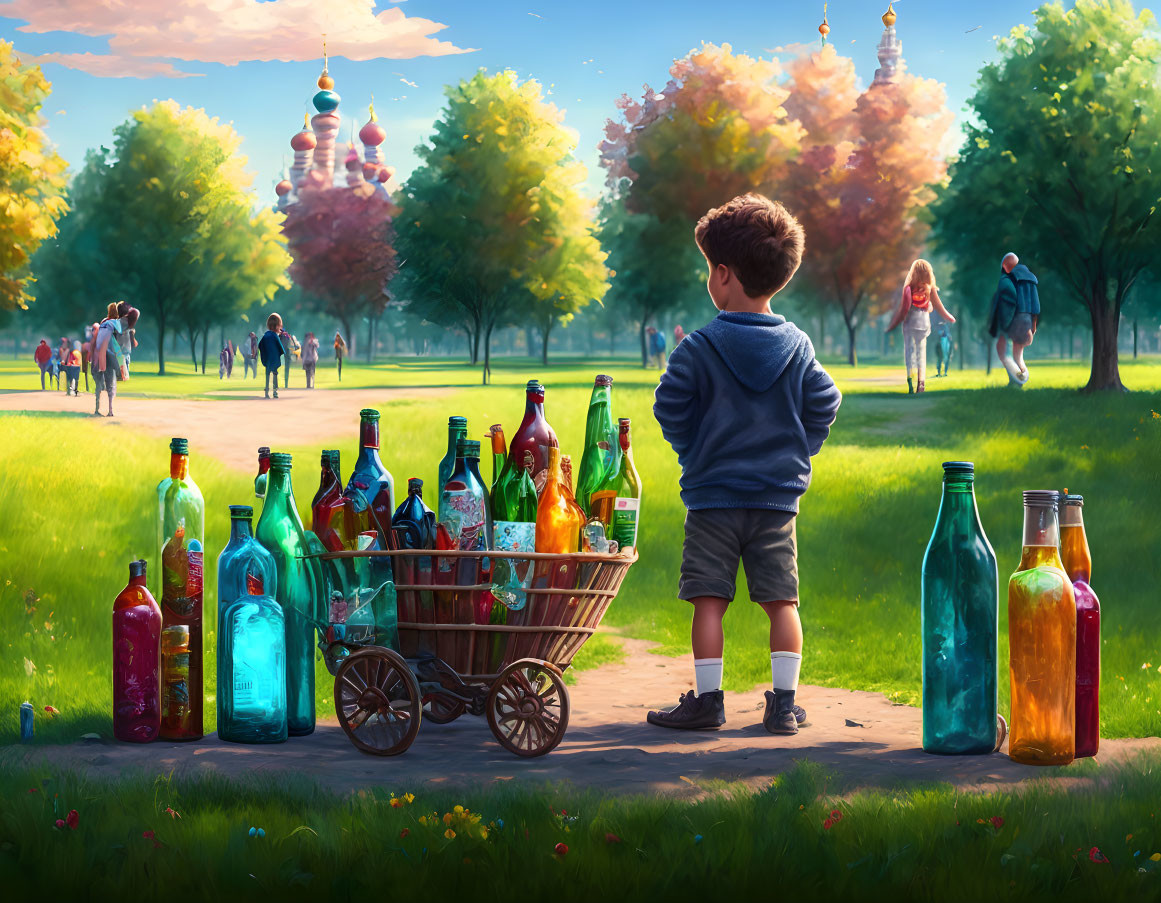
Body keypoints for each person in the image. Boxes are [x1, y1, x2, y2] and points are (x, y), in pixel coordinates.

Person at [648, 193, 842, 735]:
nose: (708, 277)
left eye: (710, 268)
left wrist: (694, 451)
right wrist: (798, 451)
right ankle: (783, 706)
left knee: (709, 601)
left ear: (725, 275)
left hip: (713, 499)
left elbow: (668, 405)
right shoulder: (798, 346)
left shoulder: (700, 347)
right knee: (782, 602)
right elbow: (826, 401)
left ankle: (708, 703)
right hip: (776, 501)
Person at [885, 259, 956, 394]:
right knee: (921, 353)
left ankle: (910, 382)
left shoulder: (908, 289)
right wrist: (950, 318)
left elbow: (904, 310)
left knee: (909, 353)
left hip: (910, 323)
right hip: (923, 323)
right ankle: (921, 384)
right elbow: (939, 307)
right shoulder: (930, 289)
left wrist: (893, 325)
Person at [988, 252, 1040, 387]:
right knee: (1018, 353)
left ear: (1005, 267)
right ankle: (1019, 378)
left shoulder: (1006, 280)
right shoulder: (1031, 279)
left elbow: (1006, 302)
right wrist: (1033, 324)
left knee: (1002, 350)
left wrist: (1002, 324)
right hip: (1027, 320)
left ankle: (1018, 379)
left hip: (1013, 319)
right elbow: (1036, 305)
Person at [259, 313, 285, 399]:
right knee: (275, 373)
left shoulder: (265, 335)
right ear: (278, 325)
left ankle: (266, 392)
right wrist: (282, 352)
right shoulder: (275, 336)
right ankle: (275, 391)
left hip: (267, 358)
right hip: (274, 358)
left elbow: (260, 345)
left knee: (267, 373)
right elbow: (280, 347)